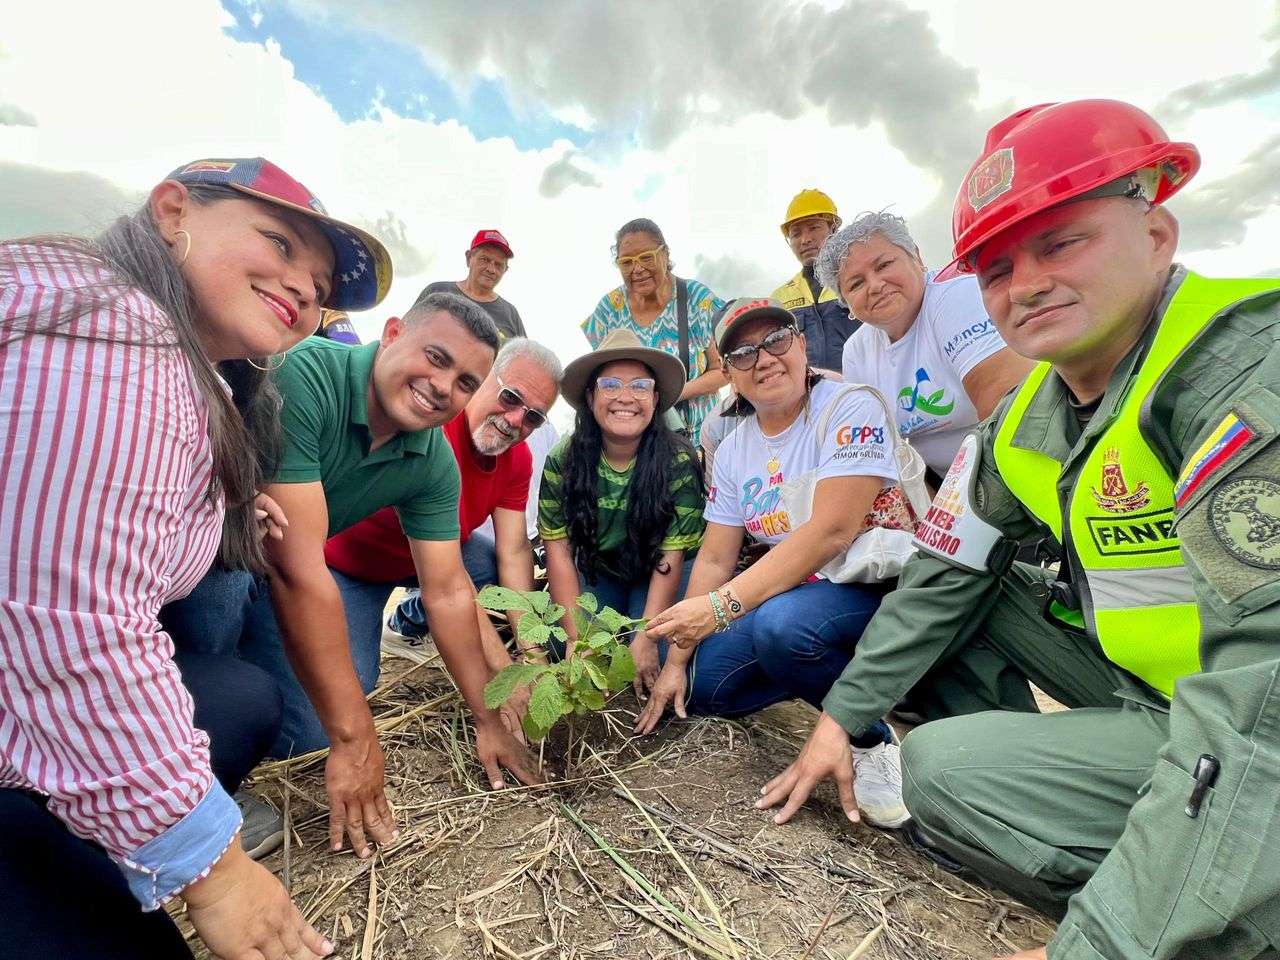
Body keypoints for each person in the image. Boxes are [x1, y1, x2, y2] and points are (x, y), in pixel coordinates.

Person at [755, 99, 1280, 960]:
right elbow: (941, 576)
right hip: (1160, 706)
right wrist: (840, 721)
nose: (1026, 283)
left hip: (1250, 725)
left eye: (1062, 242)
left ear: (1156, 234)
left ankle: (1200, 917)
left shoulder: (1239, 365)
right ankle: (1190, 886)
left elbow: (1264, 706)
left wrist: (1099, 944)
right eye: (998, 266)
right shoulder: (1023, 421)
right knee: (939, 769)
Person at [1, 155, 385, 958]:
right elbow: (73, 634)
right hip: (30, 694)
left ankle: (86, 840)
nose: (304, 289)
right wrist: (213, 868)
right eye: (279, 244)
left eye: (318, 284)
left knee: (242, 698)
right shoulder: (115, 342)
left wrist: (228, 502)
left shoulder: (190, 369)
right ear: (173, 213)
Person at [239, 288, 543, 863]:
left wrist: (489, 715)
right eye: (437, 358)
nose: (443, 388)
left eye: (464, 383)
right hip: (235, 553)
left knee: (313, 724)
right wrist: (357, 737)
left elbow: (450, 590)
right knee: (246, 628)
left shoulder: (431, 459)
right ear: (396, 332)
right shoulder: (308, 374)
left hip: (298, 559)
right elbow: (297, 569)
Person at [637, 298, 908, 828]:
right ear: (730, 374)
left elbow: (834, 529)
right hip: (800, 591)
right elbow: (715, 557)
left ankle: (870, 736)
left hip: (874, 583)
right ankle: (817, 672)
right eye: (742, 352)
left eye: (777, 340)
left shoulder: (849, 405)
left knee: (781, 627)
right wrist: (675, 661)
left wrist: (722, 608)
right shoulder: (736, 447)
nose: (763, 359)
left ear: (802, 344)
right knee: (705, 690)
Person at [325, 338, 560, 666]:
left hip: (428, 560)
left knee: (486, 561)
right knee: (356, 677)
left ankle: (407, 621)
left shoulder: (517, 458)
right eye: (511, 398)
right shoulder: (437, 426)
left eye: (534, 417)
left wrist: (531, 646)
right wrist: (505, 672)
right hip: (353, 564)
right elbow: (450, 581)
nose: (516, 420)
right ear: (484, 378)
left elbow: (515, 550)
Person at [817, 210, 1033, 478]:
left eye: (884, 265)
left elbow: (1008, 405)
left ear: (917, 258)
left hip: (1011, 464)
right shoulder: (856, 352)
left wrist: (968, 506)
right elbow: (879, 444)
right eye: (856, 283)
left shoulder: (956, 298)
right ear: (846, 304)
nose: (874, 285)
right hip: (940, 484)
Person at [538, 329, 705, 664]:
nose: (625, 397)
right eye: (610, 385)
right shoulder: (563, 460)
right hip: (604, 570)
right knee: (568, 644)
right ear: (590, 397)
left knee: (653, 647)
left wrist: (645, 639)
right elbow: (558, 552)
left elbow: (671, 556)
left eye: (640, 386)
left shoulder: (679, 462)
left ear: (656, 399)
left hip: (663, 569)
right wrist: (575, 639)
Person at [584, 218, 727, 442]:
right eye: (627, 262)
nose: (638, 269)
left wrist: (671, 394)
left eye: (646, 257)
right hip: (634, 445)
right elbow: (601, 380)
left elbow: (723, 370)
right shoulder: (609, 310)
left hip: (698, 440)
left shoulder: (698, 300)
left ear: (665, 255)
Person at [772, 188, 860, 371]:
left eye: (814, 228)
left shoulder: (858, 279)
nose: (805, 240)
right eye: (796, 234)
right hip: (810, 396)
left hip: (862, 388)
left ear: (834, 229)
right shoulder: (779, 299)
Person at [422, 229, 527, 341]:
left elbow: (521, 355)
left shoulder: (510, 313)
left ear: (505, 270)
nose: (491, 269)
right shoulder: (437, 291)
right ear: (468, 258)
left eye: (499, 265)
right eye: (484, 259)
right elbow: (406, 333)